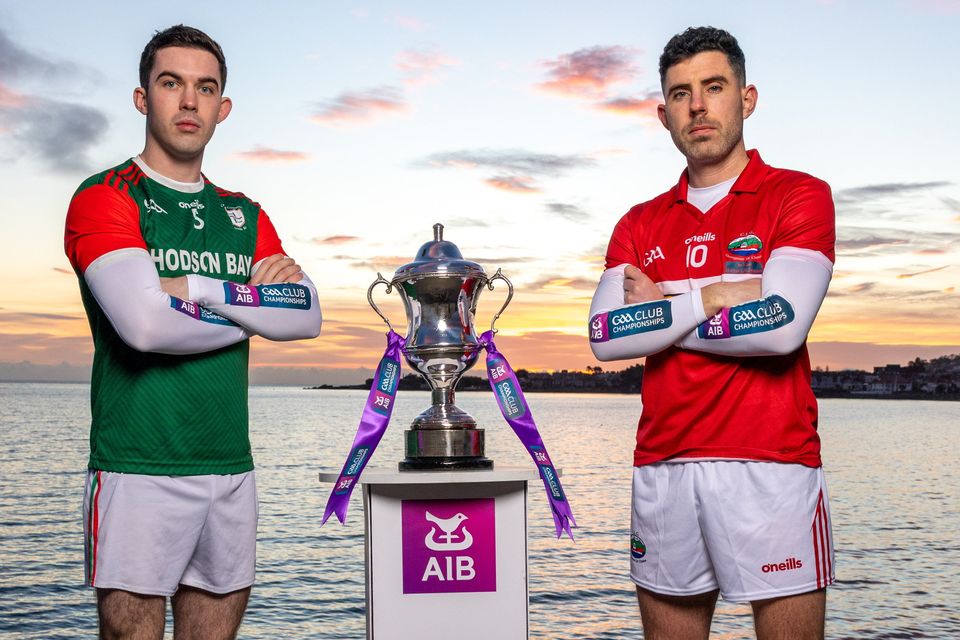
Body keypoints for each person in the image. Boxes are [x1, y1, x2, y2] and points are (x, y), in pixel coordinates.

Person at [64, 25, 321, 639]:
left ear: (222, 108)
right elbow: (146, 328)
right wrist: (254, 312)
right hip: (137, 464)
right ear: (142, 97)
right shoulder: (105, 197)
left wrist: (202, 291)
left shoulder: (243, 213)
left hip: (230, 463)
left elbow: (306, 316)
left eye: (205, 88)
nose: (188, 102)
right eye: (170, 83)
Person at [589, 26, 836, 639]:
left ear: (746, 99)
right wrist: (716, 297)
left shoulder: (798, 195)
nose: (697, 106)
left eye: (713, 87)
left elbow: (780, 329)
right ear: (663, 114)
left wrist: (664, 309)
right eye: (680, 94)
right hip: (663, 463)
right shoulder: (638, 223)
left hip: (772, 464)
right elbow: (606, 339)